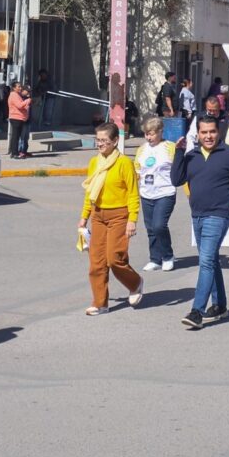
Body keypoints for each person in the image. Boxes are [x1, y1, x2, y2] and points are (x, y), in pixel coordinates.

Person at [171, 116, 229, 329]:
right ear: (197, 134)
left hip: (219, 215)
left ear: (219, 133)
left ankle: (197, 311)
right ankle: (220, 305)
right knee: (212, 260)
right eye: (204, 132)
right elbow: (176, 179)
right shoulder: (192, 156)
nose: (208, 136)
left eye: (212, 132)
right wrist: (179, 152)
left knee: (206, 261)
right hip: (197, 214)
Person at [77, 122, 144, 316]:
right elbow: (90, 193)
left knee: (115, 258)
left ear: (115, 141)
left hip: (119, 215)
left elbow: (133, 193)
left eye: (104, 140)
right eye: (98, 140)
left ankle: (135, 282)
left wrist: (132, 220)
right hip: (98, 215)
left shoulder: (124, 163)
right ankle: (100, 303)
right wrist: (84, 217)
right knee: (96, 261)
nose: (100, 144)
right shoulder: (94, 162)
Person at [134, 117, 177, 272]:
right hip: (146, 193)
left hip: (165, 192)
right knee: (151, 228)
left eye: (151, 134)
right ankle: (155, 258)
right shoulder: (142, 149)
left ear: (160, 132)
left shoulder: (170, 147)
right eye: (146, 134)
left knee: (159, 225)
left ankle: (168, 256)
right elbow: (138, 171)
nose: (148, 137)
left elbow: (179, 170)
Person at [7, 81, 31, 159]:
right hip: (15, 118)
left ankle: (16, 152)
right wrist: (27, 101)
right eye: (18, 87)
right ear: (14, 88)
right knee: (15, 136)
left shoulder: (17, 95)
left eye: (20, 86)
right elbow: (19, 105)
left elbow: (21, 106)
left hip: (20, 118)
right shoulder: (14, 95)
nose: (20, 88)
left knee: (17, 136)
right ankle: (14, 153)